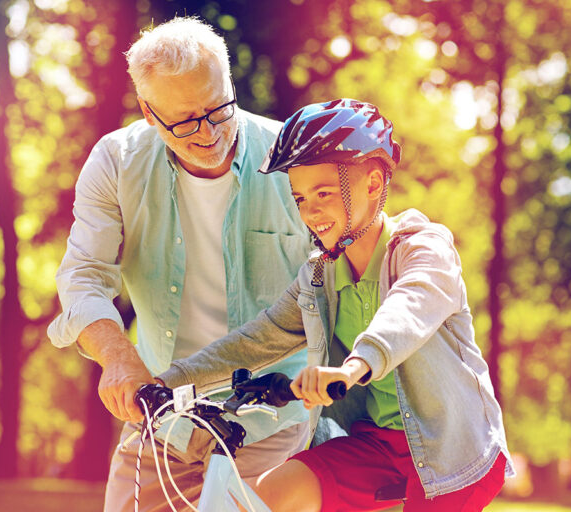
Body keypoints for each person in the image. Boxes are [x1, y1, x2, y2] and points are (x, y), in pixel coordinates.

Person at [154, 99, 514, 511]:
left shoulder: (422, 249)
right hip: (376, 446)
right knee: (268, 493)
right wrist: (169, 380)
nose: (311, 212)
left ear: (374, 184)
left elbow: (409, 310)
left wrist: (353, 366)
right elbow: (258, 339)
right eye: (301, 198)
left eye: (323, 193)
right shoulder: (319, 276)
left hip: (451, 448)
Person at [47, 16, 314, 512]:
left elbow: (342, 279)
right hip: (161, 416)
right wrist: (119, 358)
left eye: (217, 108)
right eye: (186, 121)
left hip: (273, 420)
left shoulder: (293, 161)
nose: (208, 132)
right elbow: (83, 274)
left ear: (230, 84)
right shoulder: (117, 162)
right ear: (150, 113)